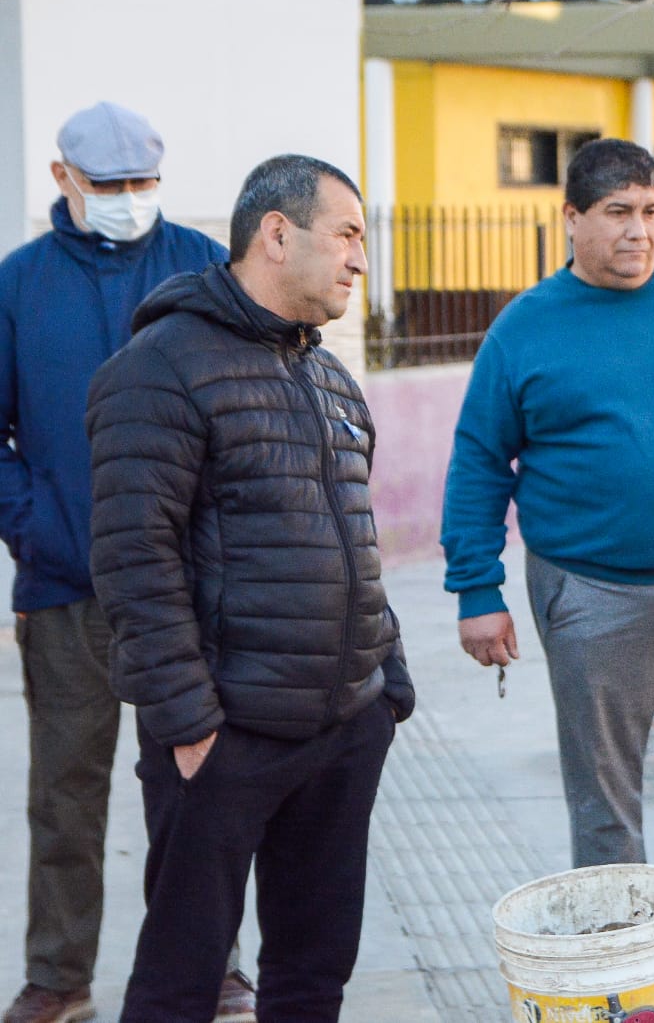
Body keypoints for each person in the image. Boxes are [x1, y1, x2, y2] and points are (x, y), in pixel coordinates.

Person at [84, 154, 414, 1023]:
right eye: (346, 234)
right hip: (227, 736)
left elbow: (354, 538)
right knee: (181, 982)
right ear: (277, 233)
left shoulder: (328, 376)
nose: (360, 259)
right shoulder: (160, 367)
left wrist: (387, 683)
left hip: (343, 729)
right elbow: (133, 557)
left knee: (313, 972)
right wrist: (190, 723)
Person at [0, 102, 259, 1023]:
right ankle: (59, 975)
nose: (129, 198)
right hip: (67, 586)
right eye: (109, 185)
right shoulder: (18, 283)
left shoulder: (203, 267)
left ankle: (212, 965)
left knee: (197, 788)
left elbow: (250, 396)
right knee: (64, 795)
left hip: (191, 589)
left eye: (144, 182)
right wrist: (35, 526)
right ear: (63, 178)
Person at [442, 138, 654, 889]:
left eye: (651, 212)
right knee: (605, 806)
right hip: (592, 594)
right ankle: (621, 951)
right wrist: (477, 591)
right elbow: (480, 460)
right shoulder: (525, 327)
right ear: (572, 217)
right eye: (618, 212)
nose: (639, 231)